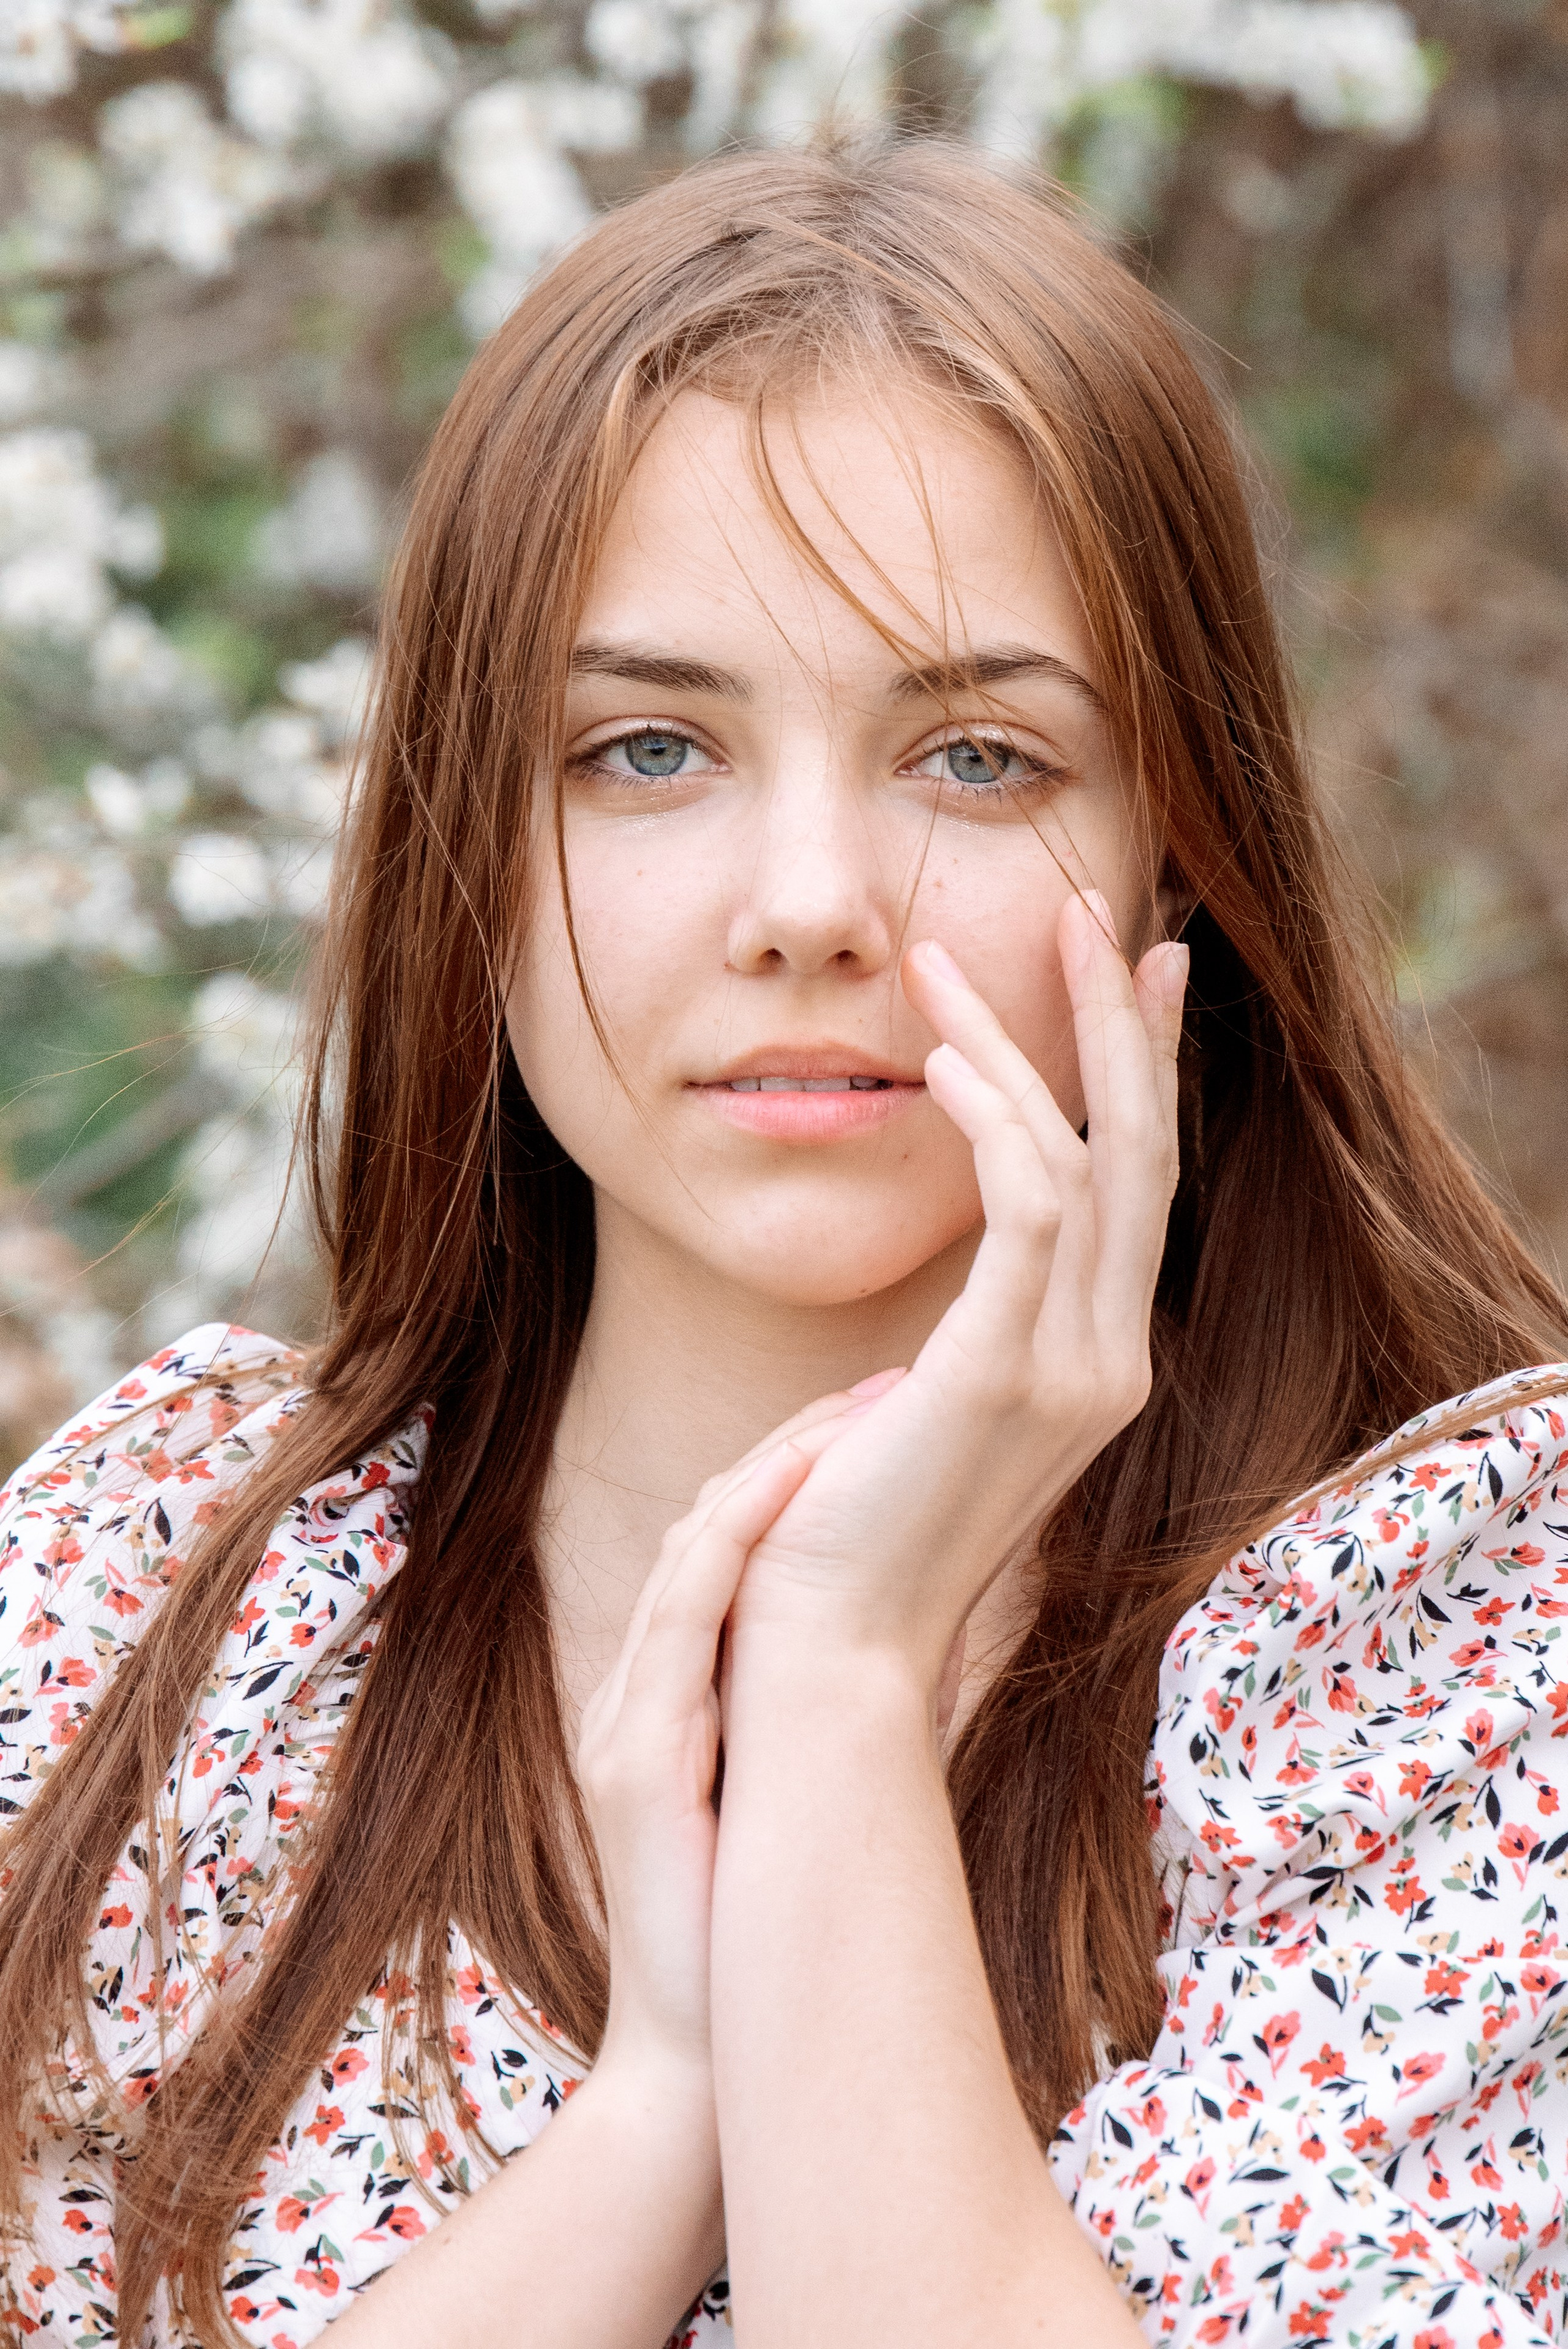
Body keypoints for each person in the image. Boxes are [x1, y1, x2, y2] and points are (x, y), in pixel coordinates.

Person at [2, 138, 1567, 2349]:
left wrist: (831, 1684)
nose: (811, 896)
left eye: (977, 754)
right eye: (648, 748)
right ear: (467, 829)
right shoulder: (164, 1622)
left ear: (1178, 856)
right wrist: (659, 2116)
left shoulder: (1450, 1669)